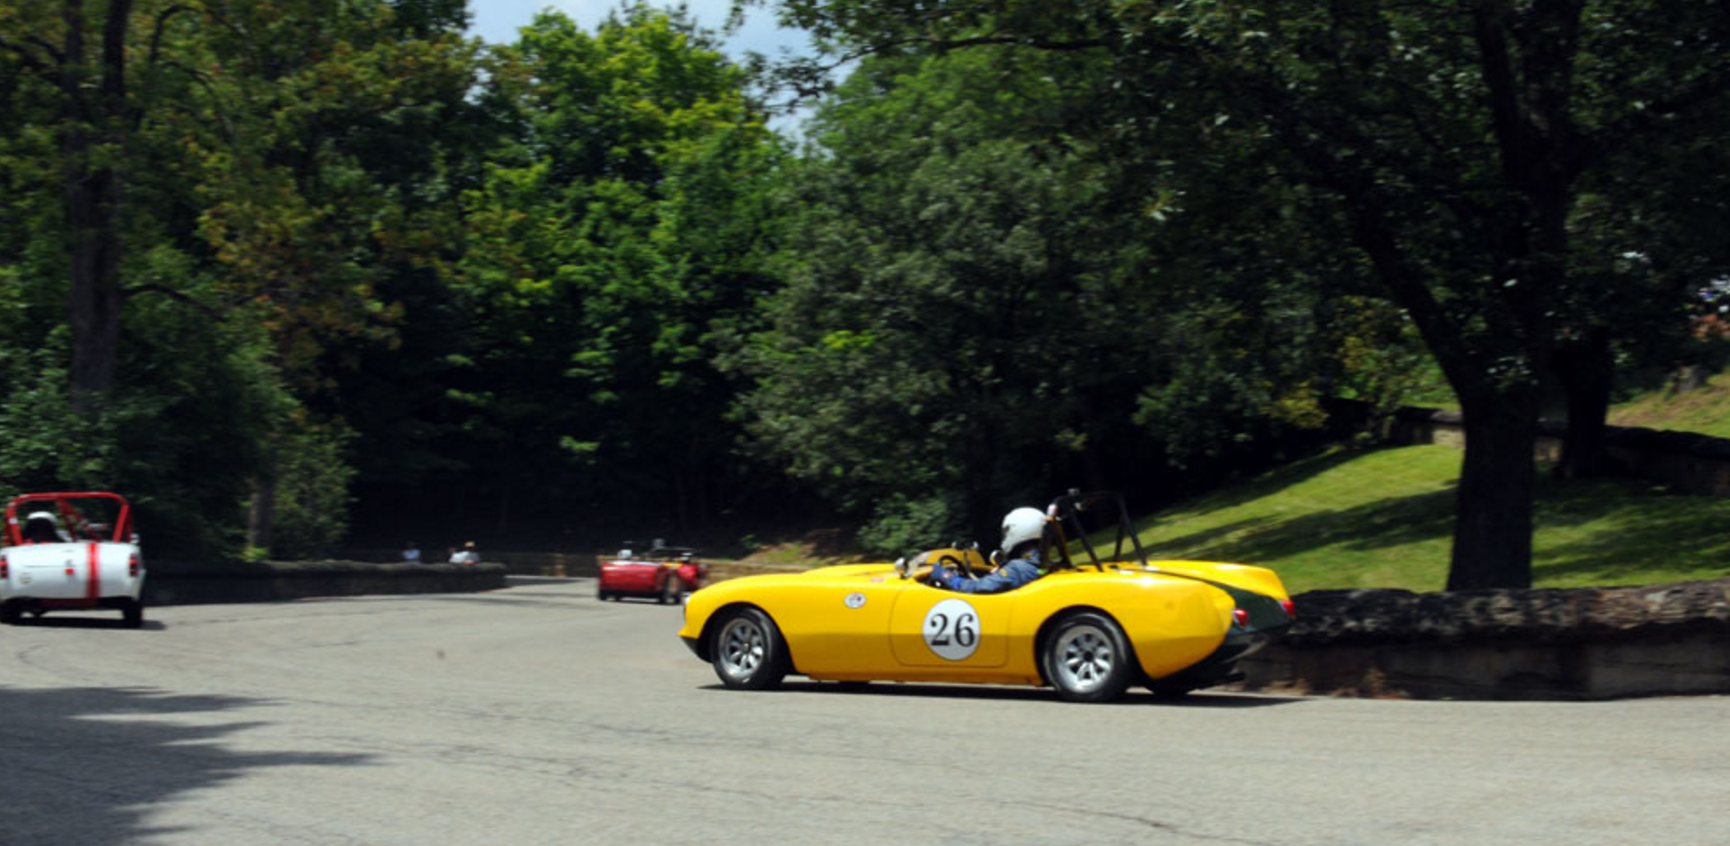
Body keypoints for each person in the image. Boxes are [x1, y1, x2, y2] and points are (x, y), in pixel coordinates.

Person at [928, 506, 1049, 594]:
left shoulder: (1016, 568)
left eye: (1007, 532)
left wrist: (946, 576)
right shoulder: (1043, 565)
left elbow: (978, 588)